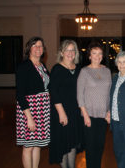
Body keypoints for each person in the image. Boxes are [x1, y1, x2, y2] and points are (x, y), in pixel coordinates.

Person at [15, 37, 50, 168]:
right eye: (34, 46)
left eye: (40, 46)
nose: (38, 48)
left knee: (37, 145)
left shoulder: (42, 66)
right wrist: (29, 117)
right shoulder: (23, 66)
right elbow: (20, 94)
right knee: (28, 146)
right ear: (29, 48)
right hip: (29, 110)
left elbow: (47, 87)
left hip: (43, 109)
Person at [49, 40, 83, 168]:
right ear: (62, 52)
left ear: (76, 53)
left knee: (73, 142)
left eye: (73, 50)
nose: (70, 53)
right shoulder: (57, 69)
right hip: (61, 112)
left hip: (75, 112)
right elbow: (54, 92)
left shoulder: (79, 69)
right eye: (67, 50)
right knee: (63, 143)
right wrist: (61, 113)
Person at [77, 42, 112, 168]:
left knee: (100, 146)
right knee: (90, 148)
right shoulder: (84, 71)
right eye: (94, 53)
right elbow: (80, 95)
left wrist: (109, 112)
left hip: (103, 116)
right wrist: (85, 115)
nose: (97, 56)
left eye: (100, 53)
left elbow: (110, 93)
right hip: (89, 115)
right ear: (89, 56)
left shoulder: (107, 71)